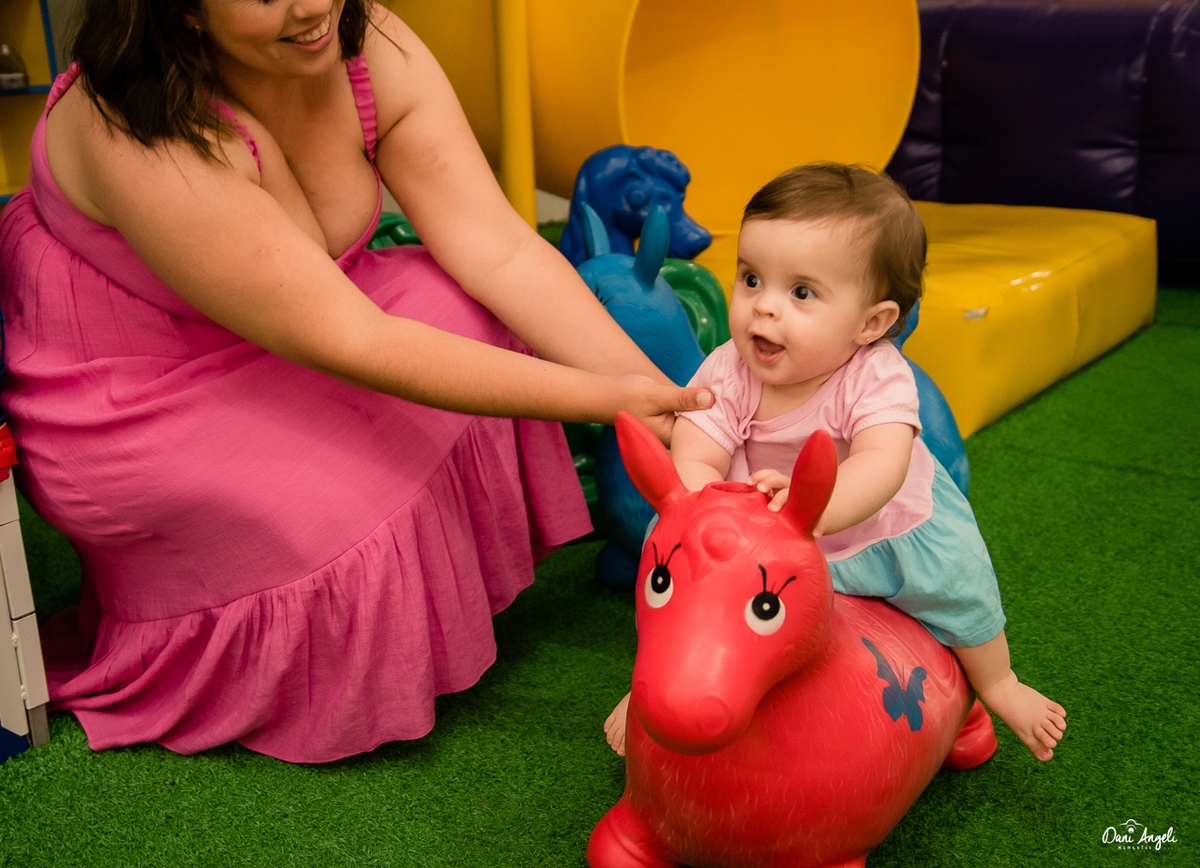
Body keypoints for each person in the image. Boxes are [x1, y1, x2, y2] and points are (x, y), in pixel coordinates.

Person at [0, 0, 711, 763]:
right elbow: (354, 338)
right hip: (141, 389)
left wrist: (673, 400)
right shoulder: (130, 127)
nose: (311, 6)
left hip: (313, 316)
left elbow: (499, 251)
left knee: (476, 315)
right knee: (332, 517)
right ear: (185, 12)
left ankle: (418, 586)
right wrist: (616, 403)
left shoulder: (364, 40)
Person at [604, 163, 1066, 761]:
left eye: (801, 293)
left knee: (958, 585)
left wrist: (818, 510)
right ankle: (657, 682)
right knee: (674, 568)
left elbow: (882, 462)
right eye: (751, 279)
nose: (764, 309)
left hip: (875, 527)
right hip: (755, 540)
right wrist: (703, 505)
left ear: (871, 324)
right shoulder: (729, 368)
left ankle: (998, 682)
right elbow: (696, 449)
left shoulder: (875, 375)